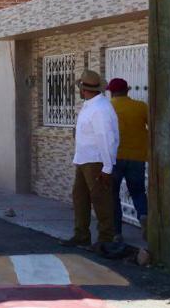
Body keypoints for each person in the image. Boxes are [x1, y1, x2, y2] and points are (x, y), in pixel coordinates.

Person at [60, 70, 119, 253]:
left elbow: (106, 138)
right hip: (84, 159)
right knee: (80, 198)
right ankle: (82, 235)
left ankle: (105, 240)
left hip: (96, 161)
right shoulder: (90, 105)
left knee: (101, 201)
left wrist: (107, 168)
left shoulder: (100, 109)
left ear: (84, 89)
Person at [107, 78, 149, 241]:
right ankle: (143, 215)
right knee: (138, 191)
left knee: (112, 195)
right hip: (137, 157)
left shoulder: (108, 108)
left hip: (114, 157)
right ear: (127, 90)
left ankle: (116, 232)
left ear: (111, 91)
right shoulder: (140, 106)